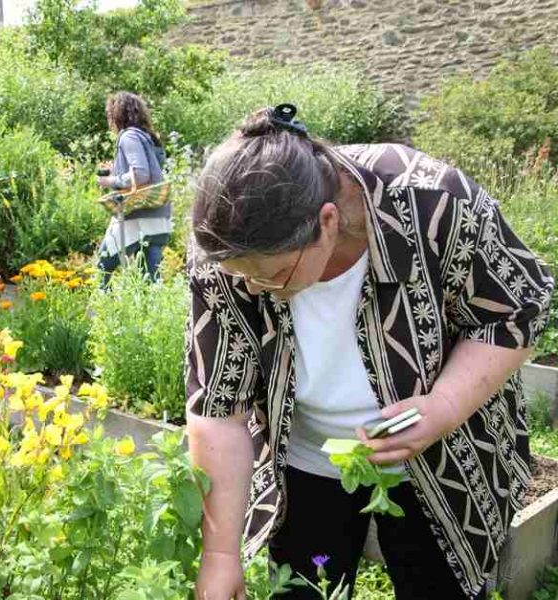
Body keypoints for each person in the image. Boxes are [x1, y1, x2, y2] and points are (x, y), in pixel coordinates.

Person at [186, 104, 554, 600]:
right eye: (243, 277)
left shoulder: (434, 201)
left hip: (446, 458)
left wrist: (442, 407)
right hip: (304, 460)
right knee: (303, 590)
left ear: (328, 221)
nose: (258, 289)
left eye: (272, 276)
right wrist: (221, 555)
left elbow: (518, 308)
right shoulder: (227, 239)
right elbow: (218, 404)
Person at [97, 91, 170, 283]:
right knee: (151, 278)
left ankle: (99, 311)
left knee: (103, 266)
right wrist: (117, 169)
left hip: (135, 213)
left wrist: (110, 181)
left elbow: (140, 174)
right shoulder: (149, 137)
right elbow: (152, 170)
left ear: (117, 114)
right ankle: (151, 313)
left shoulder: (128, 137)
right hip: (156, 214)